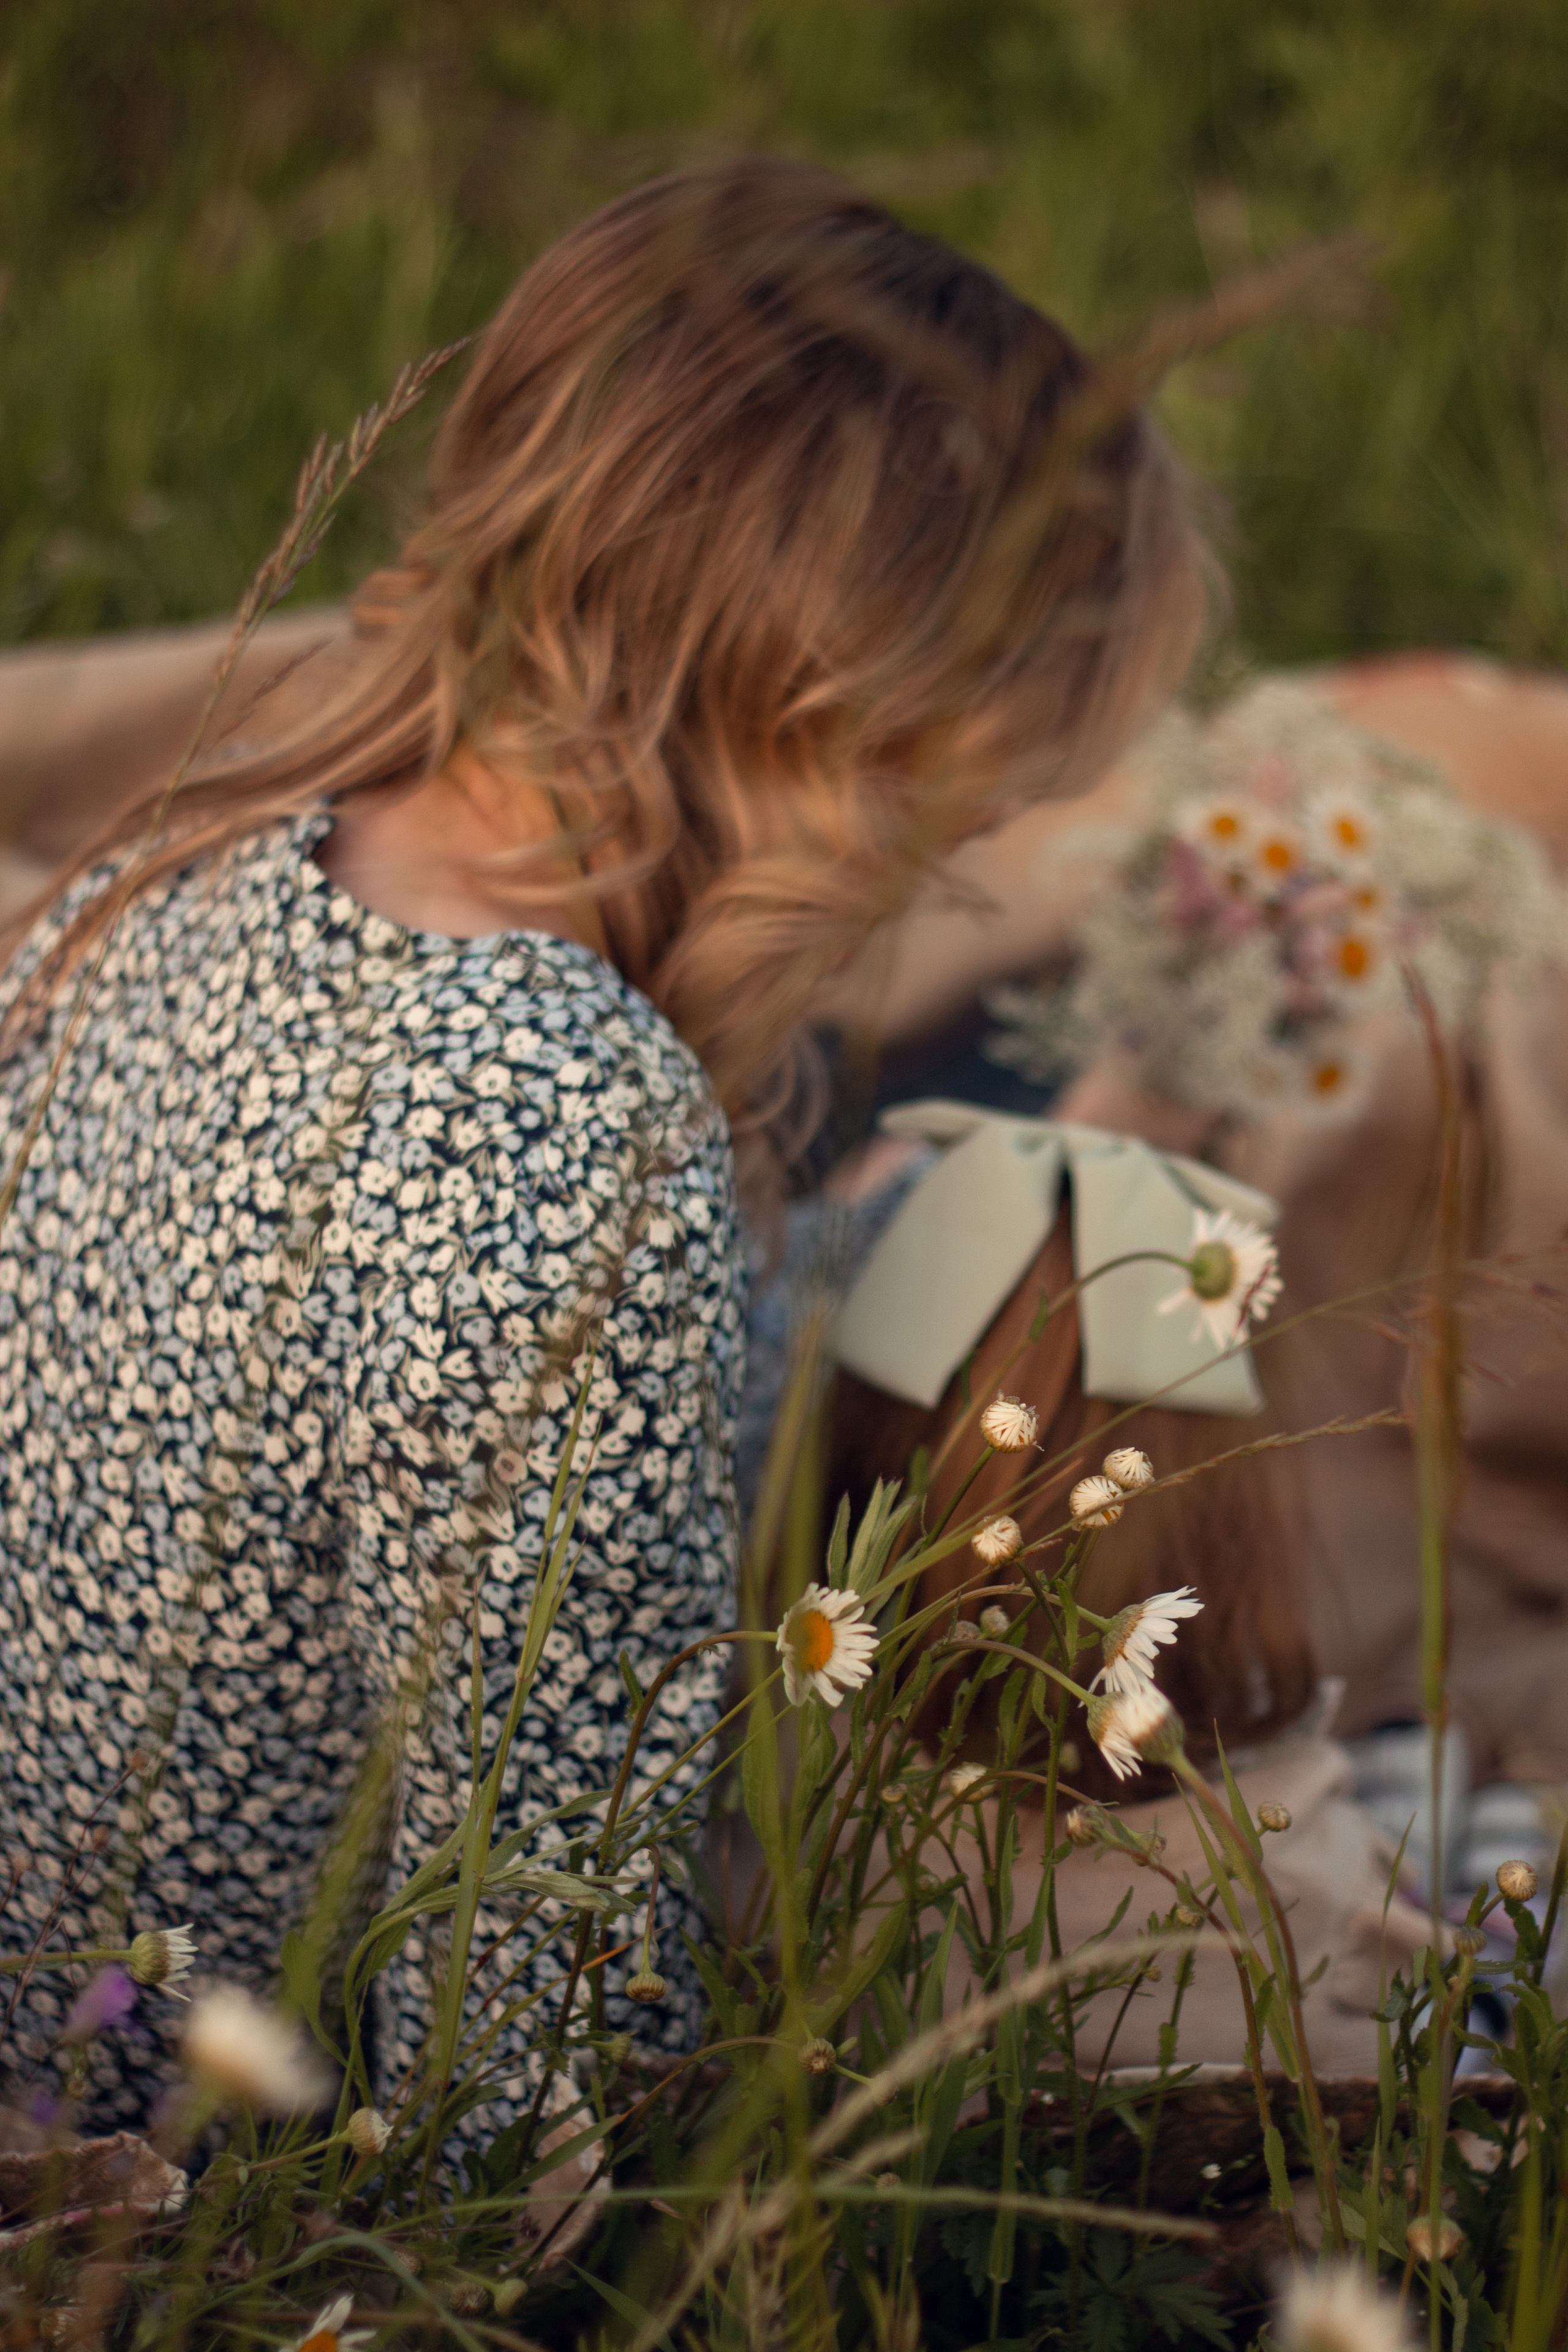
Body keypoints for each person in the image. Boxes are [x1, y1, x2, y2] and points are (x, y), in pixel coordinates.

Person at [0, 155, 1206, 2131]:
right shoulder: (563, 1116)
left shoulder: (195, 846)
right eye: (965, 806)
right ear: (829, 742)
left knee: (966, 1175)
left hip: (66, 1959)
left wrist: (824, 1266)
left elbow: (430, 1437)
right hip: (219, 2131)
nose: (972, 861)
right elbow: (542, 2002)